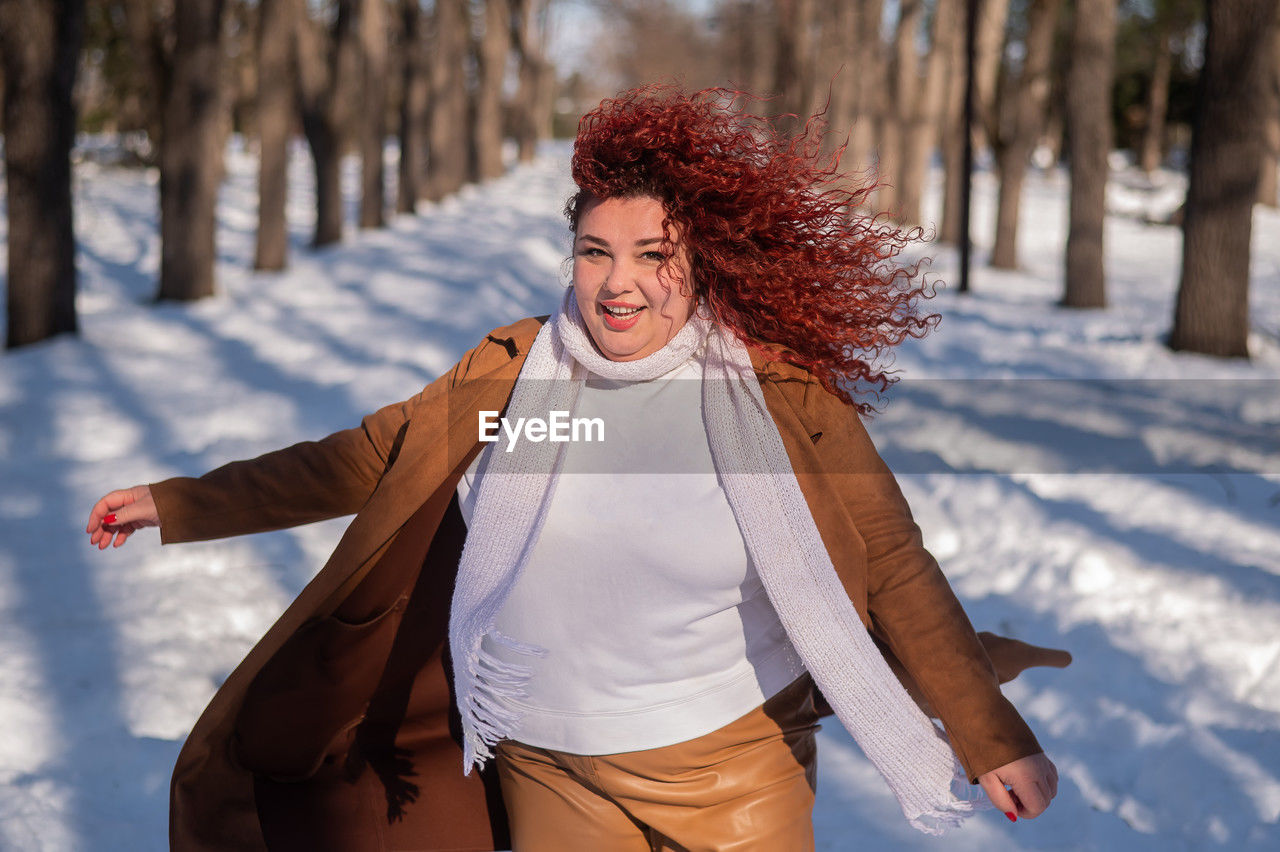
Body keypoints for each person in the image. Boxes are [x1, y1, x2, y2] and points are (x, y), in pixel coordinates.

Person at [86, 87, 1065, 851]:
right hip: (549, 762)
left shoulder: (781, 399)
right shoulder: (512, 380)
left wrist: (988, 737)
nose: (619, 282)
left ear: (704, 262)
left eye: (653, 253)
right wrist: (177, 504)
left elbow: (893, 567)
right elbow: (360, 462)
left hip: (736, 759)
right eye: (595, 252)